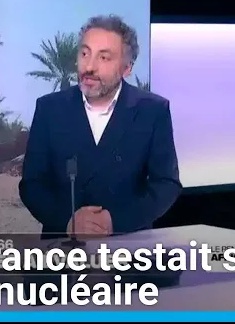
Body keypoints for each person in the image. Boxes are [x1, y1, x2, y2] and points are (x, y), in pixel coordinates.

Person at [19, 14, 182, 239]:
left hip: (129, 249)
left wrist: (115, 221)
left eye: (104, 58)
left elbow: (166, 184)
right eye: (85, 54)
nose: (89, 67)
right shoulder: (49, 109)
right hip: (63, 250)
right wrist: (67, 221)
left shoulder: (153, 111)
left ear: (126, 68)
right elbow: (32, 185)